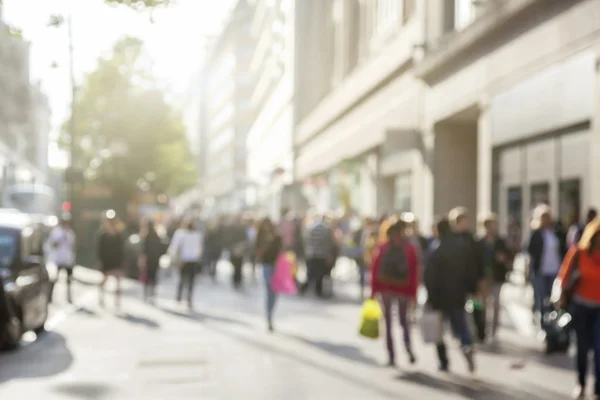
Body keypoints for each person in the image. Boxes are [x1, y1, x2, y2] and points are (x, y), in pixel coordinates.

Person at [556, 216, 600, 399]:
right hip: (581, 307)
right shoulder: (578, 253)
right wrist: (559, 295)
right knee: (582, 348)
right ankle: (581, 384)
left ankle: (598, 389)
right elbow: (563, 277)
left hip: (599, 309)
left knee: (599, 348)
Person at [425, 217, 476, 373]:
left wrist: (431, 297)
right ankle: (466, 345)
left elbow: (429, 276)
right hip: (458, 294)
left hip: (440, 297)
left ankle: (444, 361)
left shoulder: (436, 248)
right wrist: (471, 289)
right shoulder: (462, 246)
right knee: (461, 325)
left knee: (439, 331)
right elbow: (471, 269)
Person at [370, 217, 418, 367]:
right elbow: (414, 272)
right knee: (404, 321)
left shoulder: (383, 247)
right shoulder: (409, 249)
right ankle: (407, 344)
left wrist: (373, 291)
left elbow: (375, 270)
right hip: (403, 289)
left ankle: (391, 355)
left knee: (388, 322)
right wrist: (413, 294)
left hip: (385, 289)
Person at [527, 205, 567, 326]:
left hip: (555, 270)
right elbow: (531, 252)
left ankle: (553, 323)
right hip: (541, 271)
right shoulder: (536, 234)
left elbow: (563, 250)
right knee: (542, 298)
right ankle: (544, 324)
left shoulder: (556, 232)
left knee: (553, 298)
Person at [477, 212, 512, 341]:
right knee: (484, 304)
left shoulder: (500, 241)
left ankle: (494, 331)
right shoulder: (479, 242)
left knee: (496, 303)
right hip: (483, 277)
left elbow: (508, 257)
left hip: (497, 276)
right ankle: (483, 329)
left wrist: (504, 259)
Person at [255, 218, 283, 332]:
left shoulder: (277, 237)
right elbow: (257, 252)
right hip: (266, 266)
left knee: (274, 293)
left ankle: (270, 314)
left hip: (276, 267)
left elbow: (281, 250)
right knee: (269, 290)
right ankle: (268, 316)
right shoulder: (260, 237)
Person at [168, 217, 203, 310]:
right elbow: (200, 248)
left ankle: (179, 297)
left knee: (182, 279)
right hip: (193, 260)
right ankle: (189, 299)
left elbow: (174, 246)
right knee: (191, 281)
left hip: (183, 260)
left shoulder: (180, 233)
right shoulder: (197, 234)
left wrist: (171, 256)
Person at [97, 210, 125, 309]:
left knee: (118, 281)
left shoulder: (118, 234)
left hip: (116, 260)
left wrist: (121, 261)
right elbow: (100, 249)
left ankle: (117, 302)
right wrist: (101, 261)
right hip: (107, 260)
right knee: (105, 279)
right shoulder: (103, 235)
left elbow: (121, 249)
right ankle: (101, 297)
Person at [303, 214, 334, 297]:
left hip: (311, 253)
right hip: (321, 254)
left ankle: (304, 288)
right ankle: (318, 291)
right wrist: (328, 254)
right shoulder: (326, 229)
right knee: (320, 274)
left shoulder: (310, 227)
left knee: (310, 273)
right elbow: (328, 243)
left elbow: (307, 240)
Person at [48, 214, 76, 303]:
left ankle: (69, 297)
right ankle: (50, 296)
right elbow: (53, 245)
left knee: (69, 280)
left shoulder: (71, 233)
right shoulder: (56, 232)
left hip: (68, 260)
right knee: (55, 278)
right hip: (59, 259)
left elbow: (72, 246)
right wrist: (60, 239)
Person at [139, 219, 165, 303]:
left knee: (148, 276)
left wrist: (142, 259)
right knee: (153, 276)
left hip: (149, 259)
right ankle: (152, 294)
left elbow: (144, 249)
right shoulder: (157, 235)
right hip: (156, 259)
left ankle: (146, 294)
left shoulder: (146, 236)